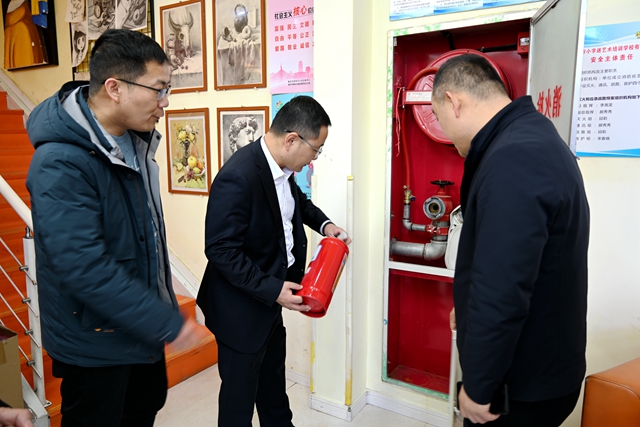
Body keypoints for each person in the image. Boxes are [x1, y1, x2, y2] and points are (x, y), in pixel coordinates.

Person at [26, 29, 207, 427]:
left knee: (142, 410)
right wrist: (165, 321)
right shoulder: (59, 163)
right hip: (94, 342)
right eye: (158, 89)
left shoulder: (135, 141)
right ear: (115, 88)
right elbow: (83, 266)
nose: (165, 101)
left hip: (138, 328)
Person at [431, 54, 589, 427]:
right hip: (544, 369)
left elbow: (502, 288)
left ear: (454, 102)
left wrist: (479, 387)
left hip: (521, 387)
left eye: (438, 117)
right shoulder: (534, 136)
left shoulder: (514, 158)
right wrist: (467, 308)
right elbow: (518, 259)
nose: (444, 130)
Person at [197, 95, 351, 427]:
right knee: (238, 405)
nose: (315, 159)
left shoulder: (279, 167)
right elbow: (221, 250)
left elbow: (296, 203)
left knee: (273, 395)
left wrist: (326, 225)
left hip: (268, 302)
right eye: (316, 150)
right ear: (292, 139)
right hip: (240, 311)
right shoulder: (238, 176)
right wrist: (273, 289)